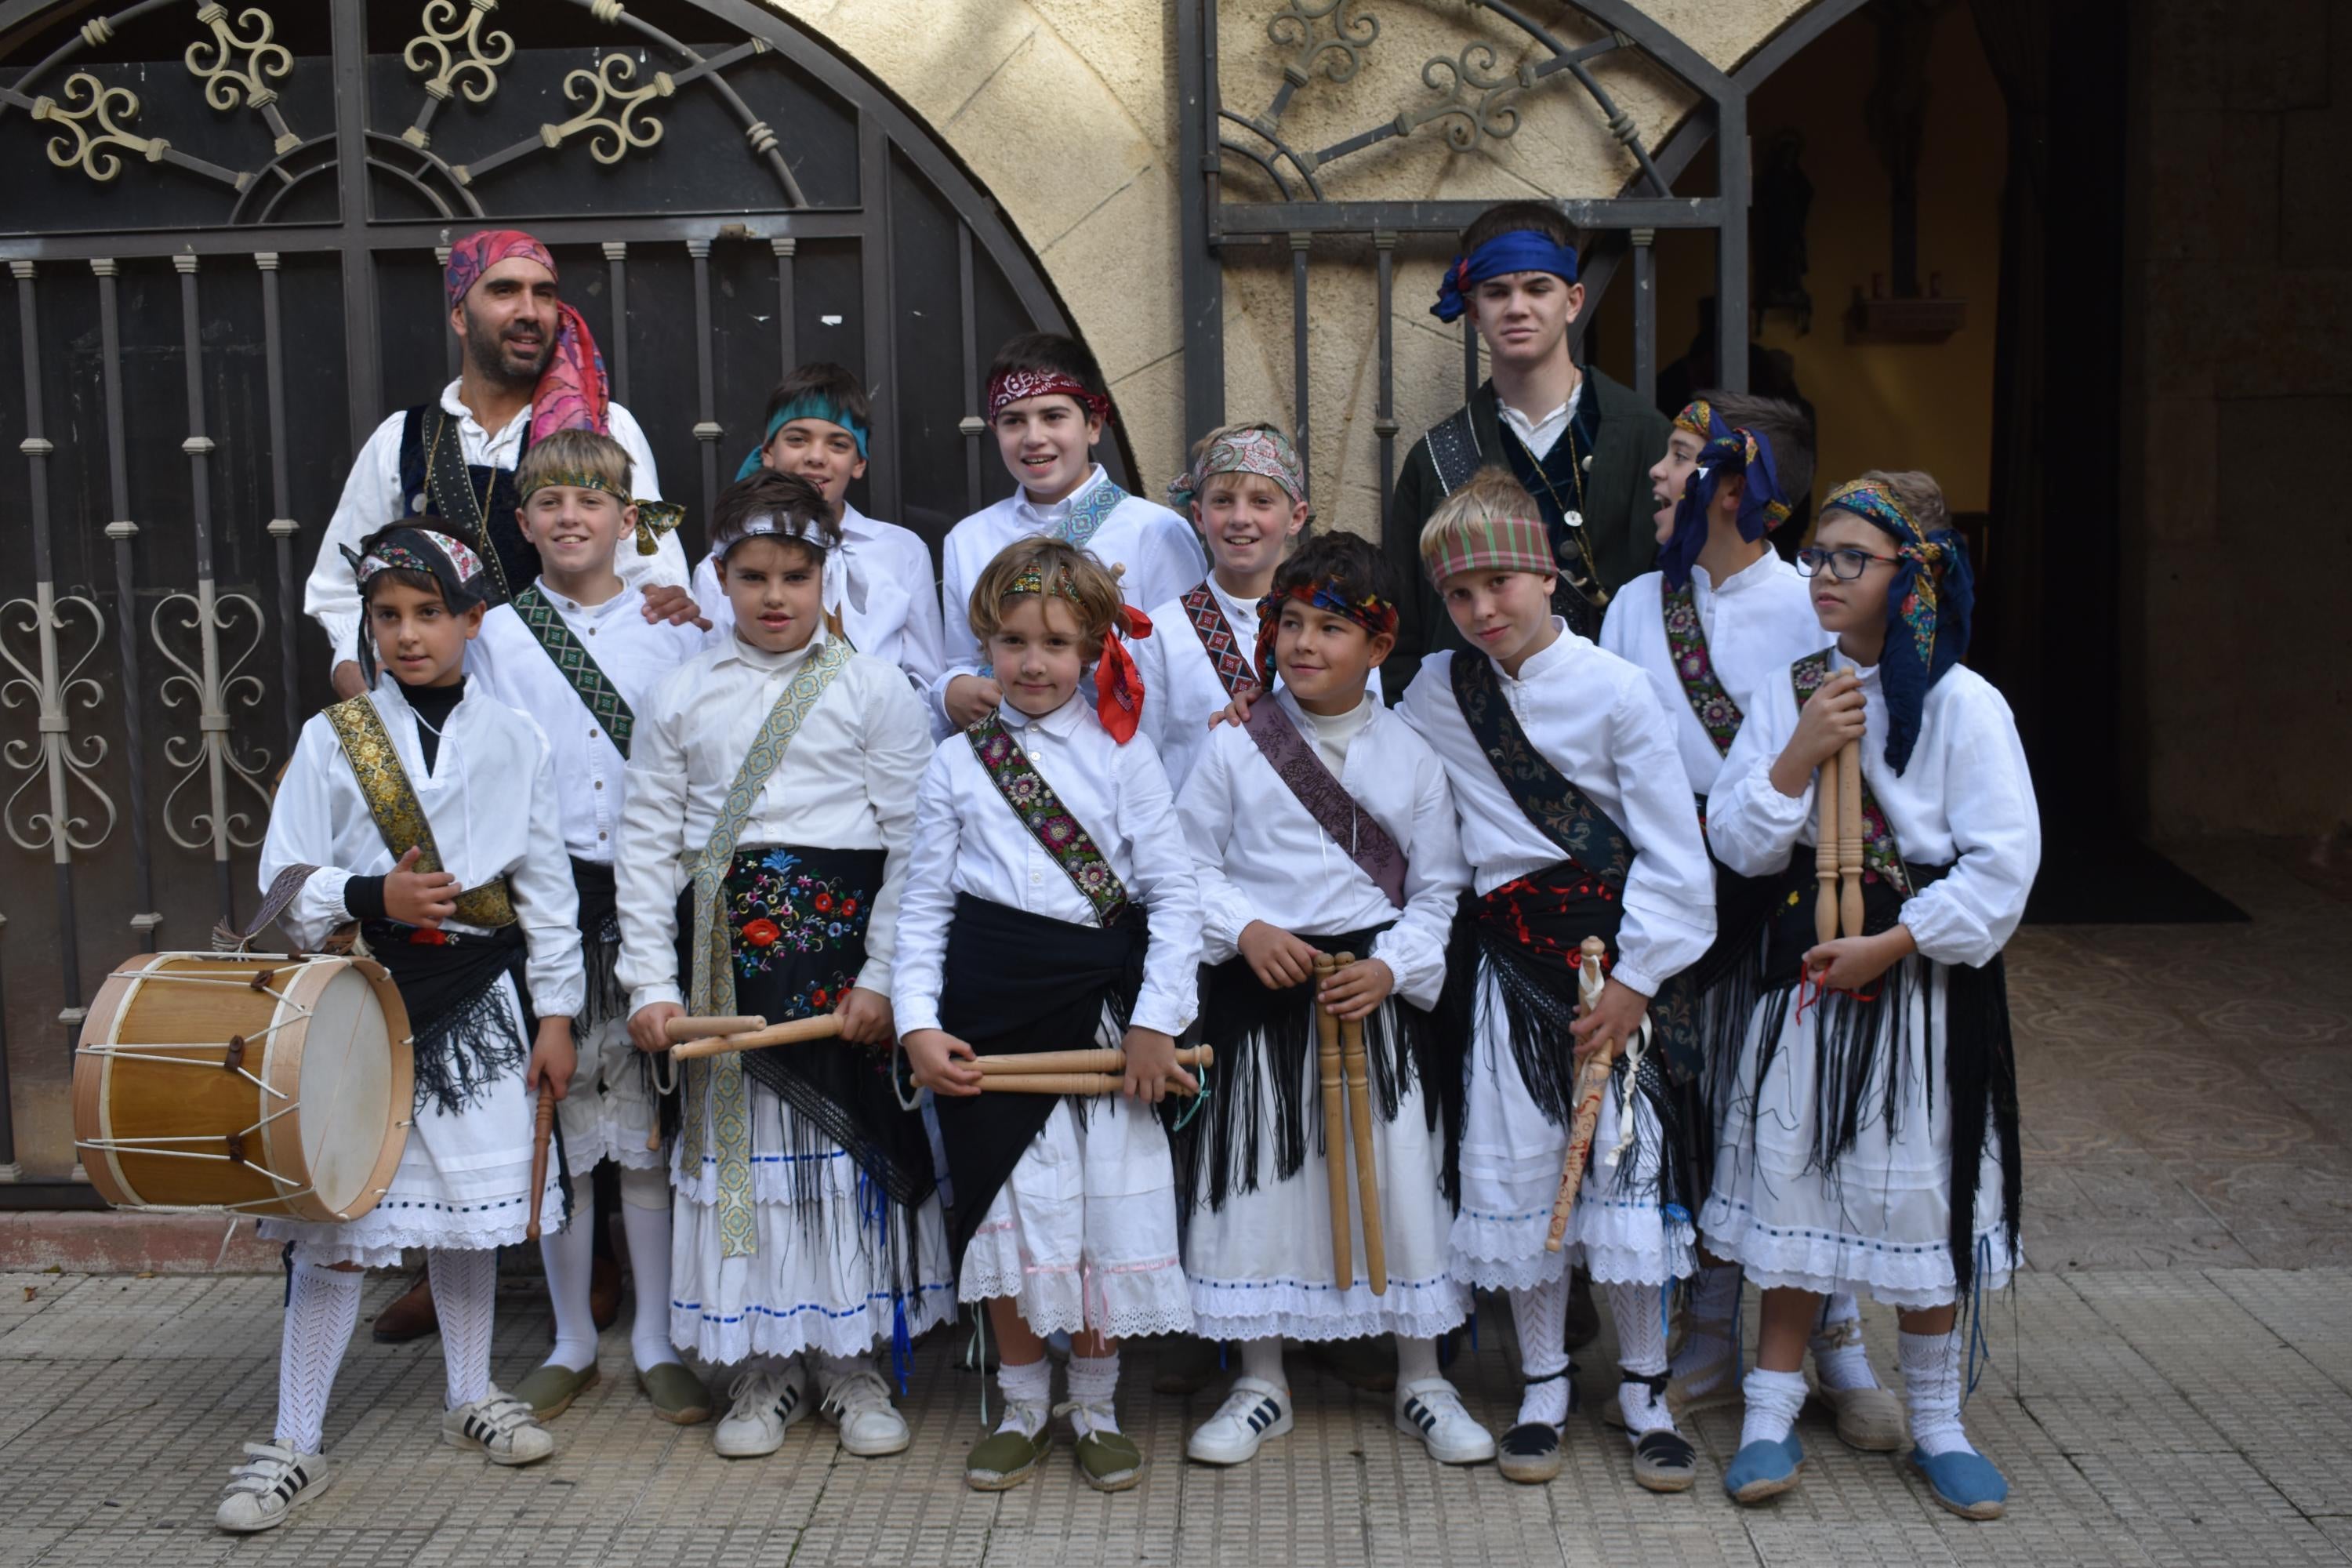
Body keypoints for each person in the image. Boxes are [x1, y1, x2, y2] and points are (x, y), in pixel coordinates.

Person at [219, 526, 583, 1532]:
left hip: (484, 1002)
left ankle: (470, 1392)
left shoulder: (520, 738)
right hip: (360, 1003)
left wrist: (557, 1012)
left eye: (431, 614)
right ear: (367, 627)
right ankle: (294, 1438)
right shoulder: (333, 737)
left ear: (473, 620)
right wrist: (372, 888)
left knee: (468, 1212)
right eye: (389, 616)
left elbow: (547, 891)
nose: (409, 634)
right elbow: (281, 878)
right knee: (339, 1218)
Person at [1699, 473, 2034, 1520]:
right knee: (1796, 1185)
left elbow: (2003, 867)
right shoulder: (1787, 688)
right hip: (1808, 980)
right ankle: (1767, 1413)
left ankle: (1938, 1423)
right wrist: (1799, 751)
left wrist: (1896, 942)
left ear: (1915, 576)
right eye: (1820, 557)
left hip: (1918, 990)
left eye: (1854, 559)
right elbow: (1739, 841)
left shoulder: (1967, 705)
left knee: (1920, 1197)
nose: (1826, 577)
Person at [617, 470, 951, 1463]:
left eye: (796, 576)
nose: (774, 596)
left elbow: (915, 844)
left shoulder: (874, 687)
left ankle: (848, 1367)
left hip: (841, 969)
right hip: (720, 972)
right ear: (718, 574)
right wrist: (651, 984)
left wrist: (885, 975)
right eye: (754, 574)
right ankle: (759, 1369)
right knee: (737, 1165)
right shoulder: (678, 691)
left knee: (836, 1164)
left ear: (825, 575)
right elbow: (644, 849)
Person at [1396, 470, 1716, 1494]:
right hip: (1503, 972)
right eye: (1459, 595)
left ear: (1546, 573)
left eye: (1500, 582)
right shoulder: (1440, 692)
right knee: (1524, 1180)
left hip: (1608, 976)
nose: (1484, 609)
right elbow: (1376, 775)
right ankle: (1541, 1385)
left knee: (1621, 1184)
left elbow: (1677, 858)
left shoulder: (1621, 692)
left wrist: (1636, 983)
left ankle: (1646, 1391)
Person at [1597, 398, 1904, 1451]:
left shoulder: (1805, 605)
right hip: (1675, 883)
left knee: (1795, 1118)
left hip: (1784, 893)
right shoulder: (1637, 603)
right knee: (1706, 1117)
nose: (1656, 474)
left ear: (1739, 486)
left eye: (1682, 459)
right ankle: (1712, 1334)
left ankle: (1840, 1337)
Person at [1171, 532, 1488, 1468]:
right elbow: (1186, 866)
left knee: (1396, 1179)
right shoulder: (1233, 749)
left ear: (1380, 647)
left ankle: (1423, 1377)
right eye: (1291, 622)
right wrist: (1244, 929)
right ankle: (1260, 1378)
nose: (1304, 644)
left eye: (1332, 628)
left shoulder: (1412, 757)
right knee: (1262, 1188)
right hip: (1264, 988)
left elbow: (1440, 890)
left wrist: (1394, 966)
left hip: (1372, 993)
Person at [893, 538, 1201, 1494]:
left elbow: (1176, 896)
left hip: (1101, 1017)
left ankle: (1097, 1405)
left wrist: (1155, 1022)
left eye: (1058, 643)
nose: (1033, 662)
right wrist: (915, 1022)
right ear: (986, 643)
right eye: (1013, 641)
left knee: (1098, 1218)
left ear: (1096, 647)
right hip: (987, 1016)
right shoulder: (955, 765)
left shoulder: (1125, 753)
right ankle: (1023, 1403)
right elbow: (924, 907)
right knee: (1007, 1214)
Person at [462, 429, 710, 1426]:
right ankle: (571, 1337)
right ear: (523, 524)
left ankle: (654, 1334)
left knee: (648, 1130)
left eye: (593, 500)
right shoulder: (496, 637)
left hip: (652, 899)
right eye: (551, 503)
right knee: (560, 1123)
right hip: (545, 906)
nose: (572, 517)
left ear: (630, 521)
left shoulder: (677, 629)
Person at [307, 228, 695, 704]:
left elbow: (651, 572)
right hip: (444, 712)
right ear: (459, 315)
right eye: (504, 290)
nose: (529, 312)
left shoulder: (604, 427)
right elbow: (343, 584)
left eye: (544, 294)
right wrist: (359, 673)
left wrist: (666, 600)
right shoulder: (403, 439)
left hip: (572, 697)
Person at [1381, 201, 1673, 697]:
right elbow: (1402, 632)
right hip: (1474, 739)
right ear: (1473, 310)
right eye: (1497, 292)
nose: (1517, 307)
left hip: (1614, 728)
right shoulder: (1435, 458)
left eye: (1538, 288)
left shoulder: (1646, 436)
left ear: (1573, 299)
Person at [933, 332, 1205, 732]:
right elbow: (960, 660)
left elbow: (1189, 671)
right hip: (1009, 772)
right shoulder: (968, 538)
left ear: (1094, 425)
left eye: (1053, 416)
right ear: (995, 430)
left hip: (1121, 763)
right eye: (1013, 421)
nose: (1034, 437)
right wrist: (950, 690)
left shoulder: (1156, 531)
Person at [691, 362, 946, 694]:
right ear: (768, 452)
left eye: (838, 444)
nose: (816, 456)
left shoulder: (901, 550)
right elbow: (711, 676)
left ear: (859, 462)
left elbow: (927, 678)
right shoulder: (725, 566)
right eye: (797, 439)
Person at [1131, 422, 1312, 792]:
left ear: (1296, 517)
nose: (1240, 517)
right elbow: (1141, 768)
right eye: (1223, 501)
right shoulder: (1160, 635)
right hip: (1199, 846)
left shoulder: (1333, 628)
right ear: (1198, 516)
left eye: (1261, 501)